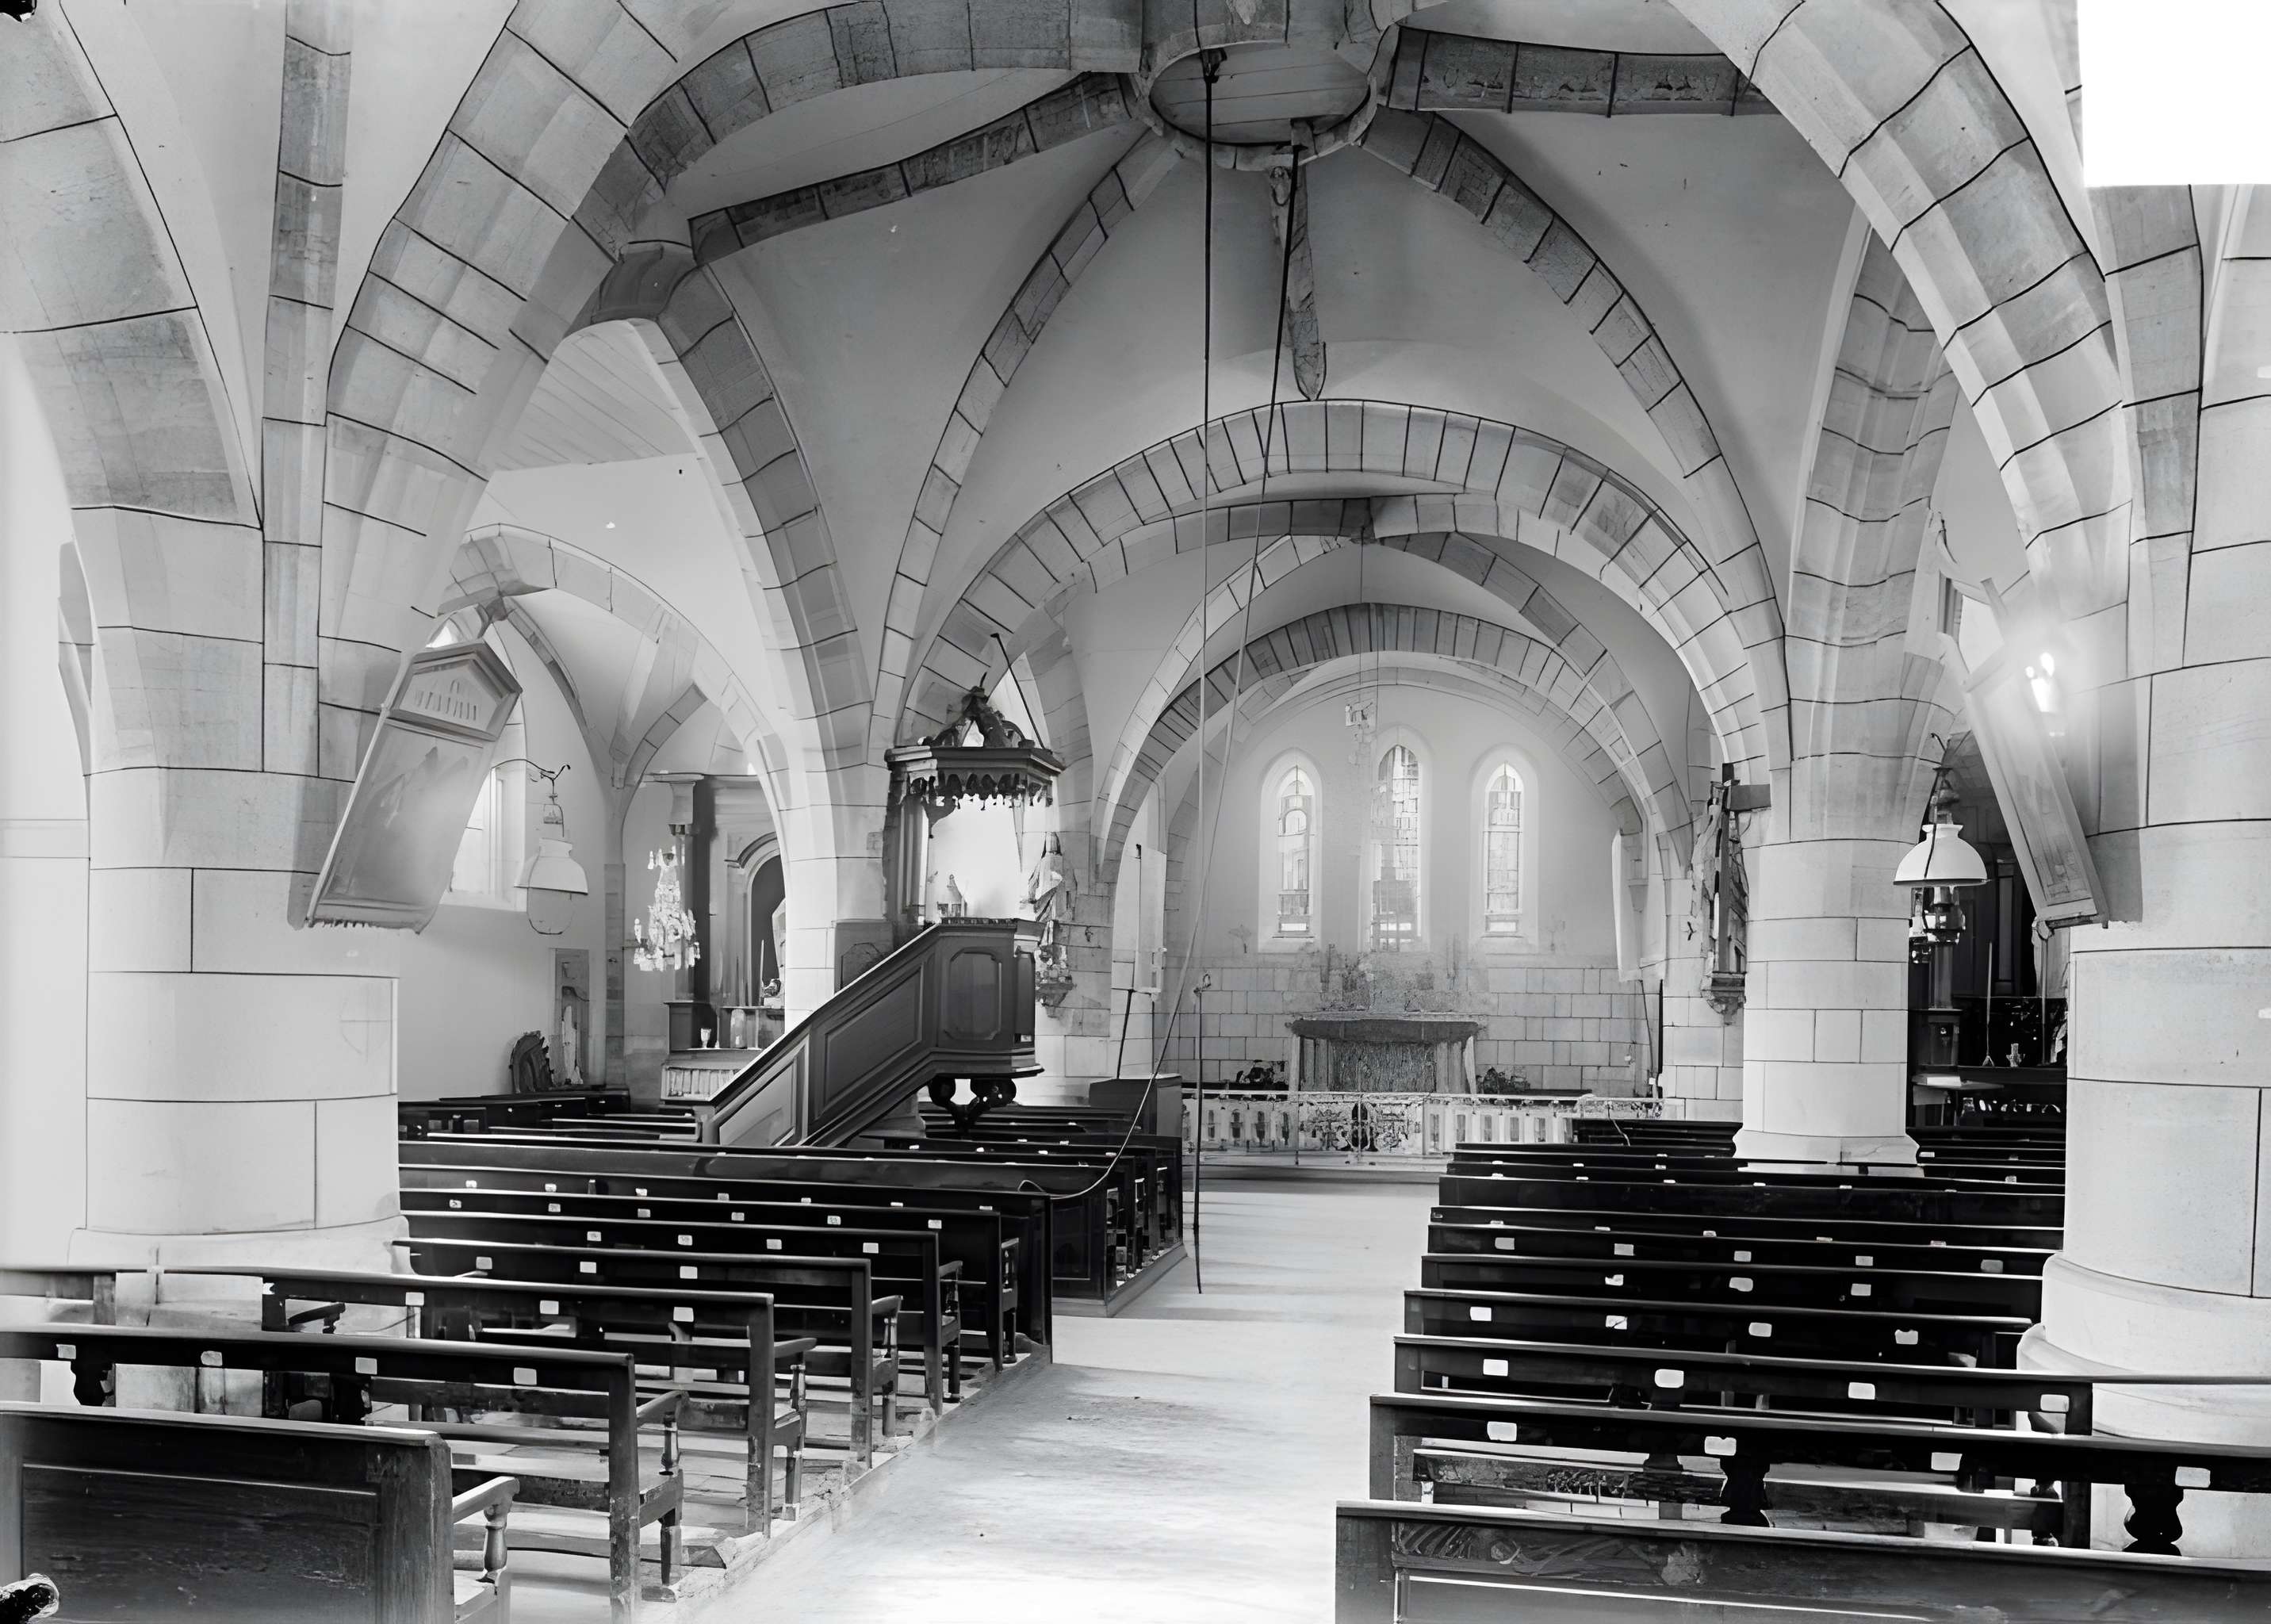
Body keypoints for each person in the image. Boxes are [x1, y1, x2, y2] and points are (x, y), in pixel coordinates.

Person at [1022, 833, 1074, 957]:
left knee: (1044, 928)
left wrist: (1031, 898)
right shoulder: (1064, 862)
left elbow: (1032, 883)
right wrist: (1071, 905)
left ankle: (1045, 950)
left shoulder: (1042, 862)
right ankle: (1055, 953)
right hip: (1059, 904)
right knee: (1056, 929)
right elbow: (1071, 886)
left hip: (1045, 902)